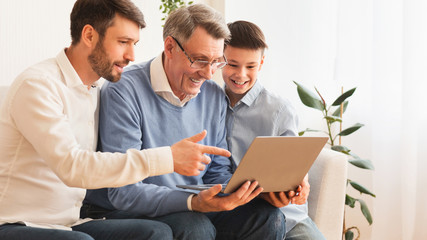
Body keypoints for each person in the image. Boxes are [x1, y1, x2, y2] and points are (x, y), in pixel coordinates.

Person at [0, 0, 231, 239]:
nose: (131, 55)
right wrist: (167, 158)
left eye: (134, 44)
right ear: (89, 34)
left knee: (156, 233)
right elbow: (72, 167)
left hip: (71, 222)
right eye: (123, 42)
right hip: (18, 223)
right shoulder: (38, 86)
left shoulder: (94, 89)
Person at [82, 3, 285, 240]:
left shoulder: (213, 95)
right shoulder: (124, 90)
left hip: (194, 206)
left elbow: (216, 173)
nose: (209, 74)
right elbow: (123, 191)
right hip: (127, 210)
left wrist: (254, 190)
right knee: (195, 227)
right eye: (199, 60)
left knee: (266, 217)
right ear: (170, 47)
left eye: (217, 62)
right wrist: (192, 202)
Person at [222, 20, 326, 240]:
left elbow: (294, 162)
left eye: (250, 66)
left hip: (286, 215)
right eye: (232, 64)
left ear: (261, 63)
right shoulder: (209, 102)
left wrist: (301, 184)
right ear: (220, 59)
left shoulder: (279, 109)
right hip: (236, 214)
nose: (241, 74)